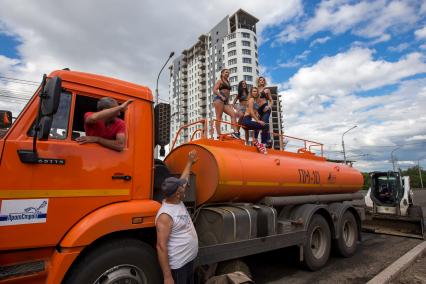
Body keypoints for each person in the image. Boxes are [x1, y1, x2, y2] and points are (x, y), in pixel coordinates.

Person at [156, 150, 199, 284]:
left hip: (188, 260)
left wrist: (190, 162)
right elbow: (160, 246)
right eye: (181, 187)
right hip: (178, 267)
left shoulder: (176, 200)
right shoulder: (165, 216)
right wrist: (167, 277)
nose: (184, 186)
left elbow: (184, 178)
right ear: (177, 194)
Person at [241, 87, 270, 154]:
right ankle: (262, 143)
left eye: (256, 91)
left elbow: (254, 111)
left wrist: (257, 113)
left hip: (248, 121)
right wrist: (258, 121)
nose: (255, 92)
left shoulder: (255, 101)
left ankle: (256, 141)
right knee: (265, 126)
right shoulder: (251, 99)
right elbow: (251, 112)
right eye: (253, 91)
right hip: (246, 121)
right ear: (251, 92)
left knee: (260, 126)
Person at [213, 69, 239, 139]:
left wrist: (228, 103)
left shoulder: (228, 82)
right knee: (219, 117)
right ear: (222, 74)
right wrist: (221, 96)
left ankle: (236, 132)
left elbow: (228, 93)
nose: (227, 73)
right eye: (226, 72)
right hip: (219, 100)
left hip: (225, 102)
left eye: (228, 72)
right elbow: (214, 90)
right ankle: (218, 134)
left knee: (233, 114)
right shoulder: (220, 81)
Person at [256, 77, 273, 148]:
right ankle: (268, 140)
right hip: (258, 110)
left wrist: (269, 106)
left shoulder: (267, 90)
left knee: (264, 124)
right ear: (258, 82)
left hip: (265, 108)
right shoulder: (255, 90)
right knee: (259, 125)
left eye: (263, 80)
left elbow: (271, 100)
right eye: (260, 80)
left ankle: (265, 142)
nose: (262, 81)